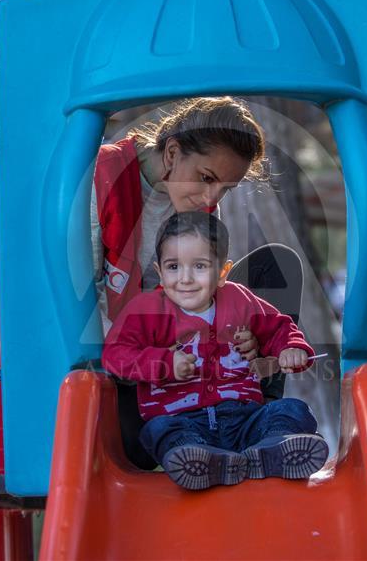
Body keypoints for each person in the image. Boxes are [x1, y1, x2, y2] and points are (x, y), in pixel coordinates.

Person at [91, 97, 305, 468]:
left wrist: (241, 332)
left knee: (275, 265)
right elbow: (80, 298)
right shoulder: (103, 175)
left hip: (195, 347)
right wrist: (155, 356)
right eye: (206, 179)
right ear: (172, 152)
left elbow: (209, 290)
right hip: (136, 350)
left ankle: (257, 419)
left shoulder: (202, 204)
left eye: (225, 189)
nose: (211, 198)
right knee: (136, 447)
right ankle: (193, 435)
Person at [102, 212, 328, 490]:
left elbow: (278, 326)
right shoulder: (147, 310)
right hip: (181, 420)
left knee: (292, 409)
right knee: (157, 431)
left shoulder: (238, 299)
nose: (185, 278)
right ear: (159, 271)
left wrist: (291, 348)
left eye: (199, 266)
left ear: (222, 272)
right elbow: (115, 355)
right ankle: (202, 462)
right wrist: (164, 362)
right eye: (173, 267)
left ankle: (271, 448)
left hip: (243, 416)